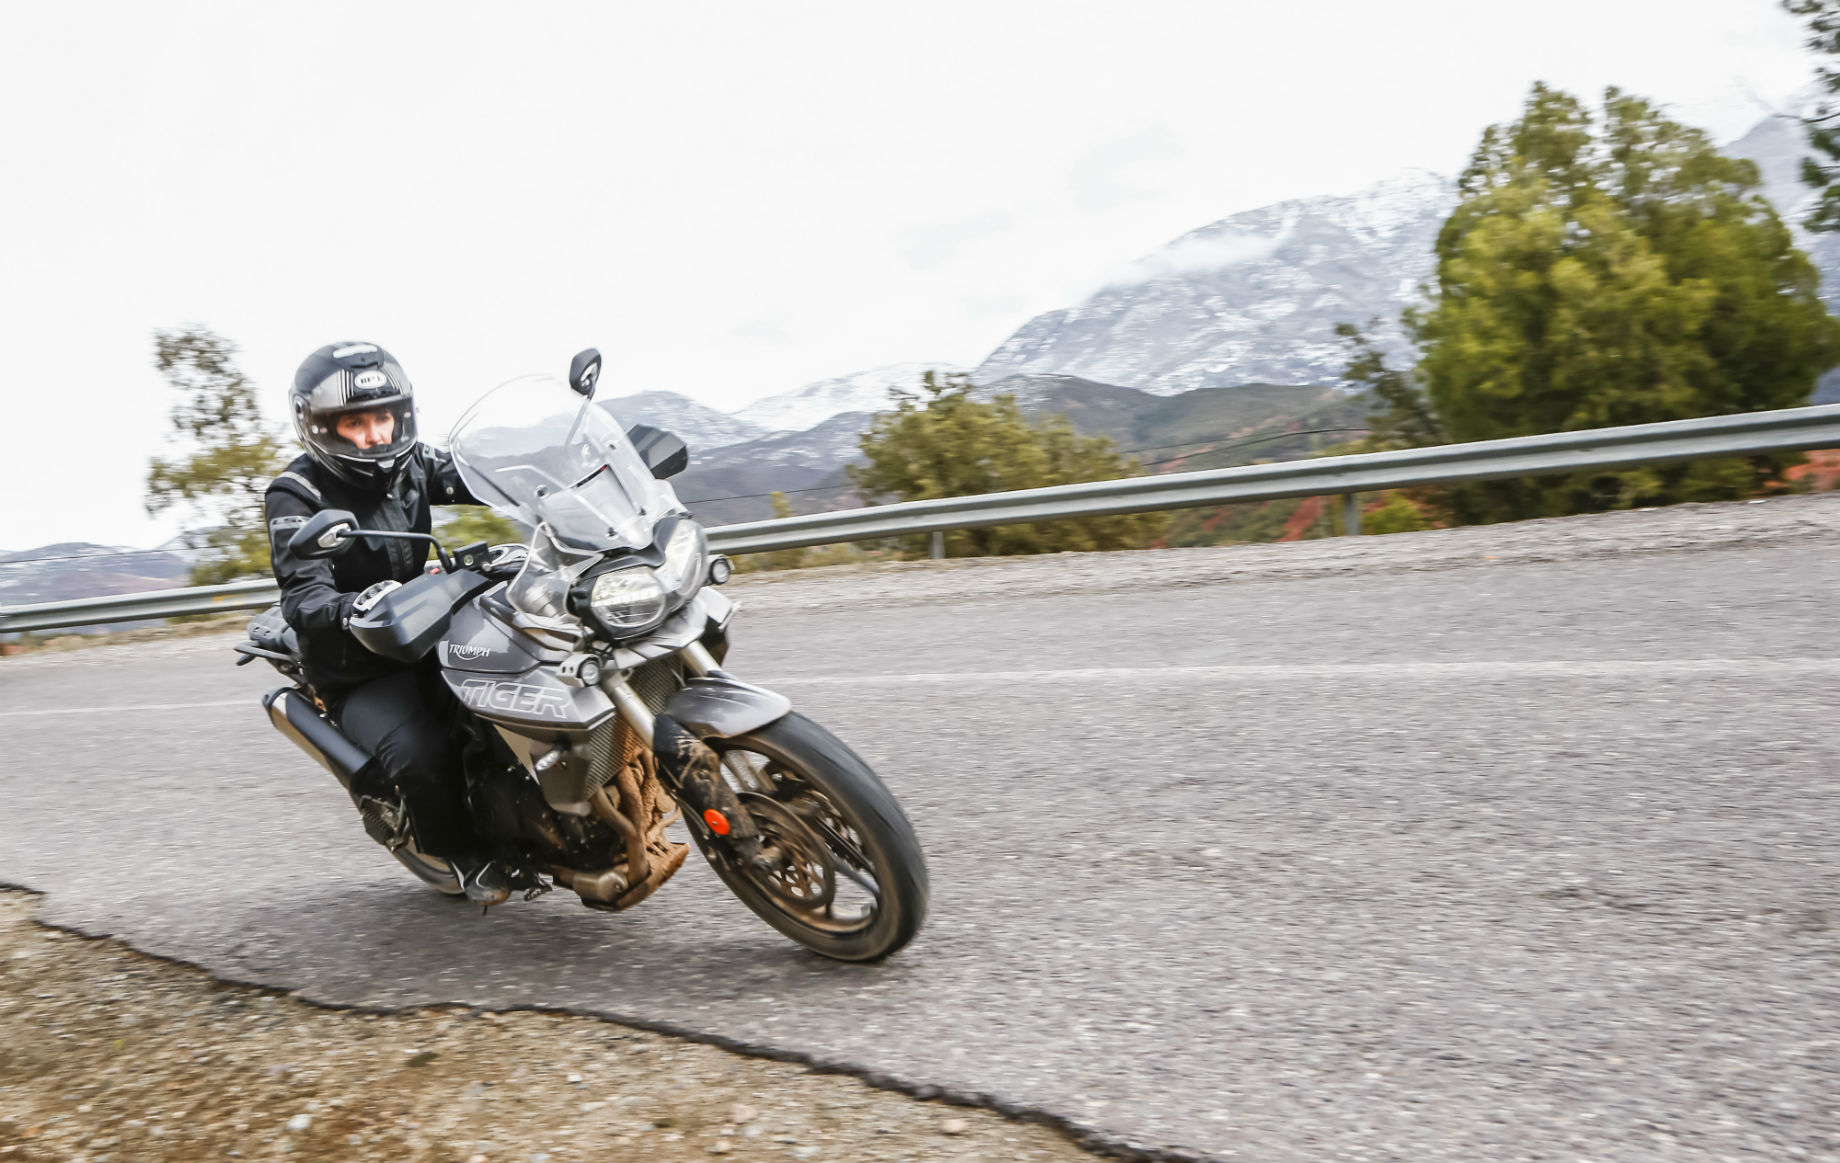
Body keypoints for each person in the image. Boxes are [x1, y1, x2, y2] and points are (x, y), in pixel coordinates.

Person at [265, 341, 511, 906]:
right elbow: (303, 598)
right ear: (322, 427)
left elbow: (483, 479)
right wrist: (352, 608)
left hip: (433, 625)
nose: (377, 434)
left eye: (384, 417)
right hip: (360, 663)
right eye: (357, 422)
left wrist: (563, 475)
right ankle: (459, 855)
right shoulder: (294, 495)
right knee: (421, 756)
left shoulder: (415, 464)